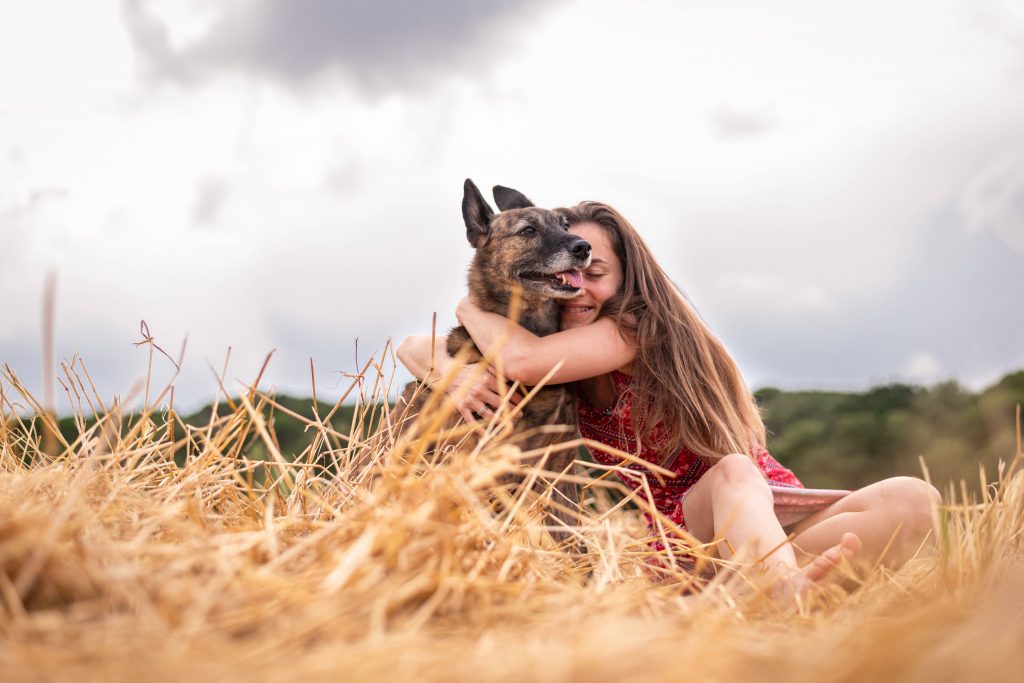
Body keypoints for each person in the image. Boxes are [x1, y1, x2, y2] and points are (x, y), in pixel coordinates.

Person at [397, 200, 941, 595]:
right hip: (693, 536)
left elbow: (515, 358)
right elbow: (416, 346)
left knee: (915, 499)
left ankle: (755, 594)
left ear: (629, 283)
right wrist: (452, 371)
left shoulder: (634, 328)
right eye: (570, 272)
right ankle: (779, 593)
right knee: (732, 472)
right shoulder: (557, 354)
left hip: (764, 513)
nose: (577, 284)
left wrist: (469, 309)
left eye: (594, 272)